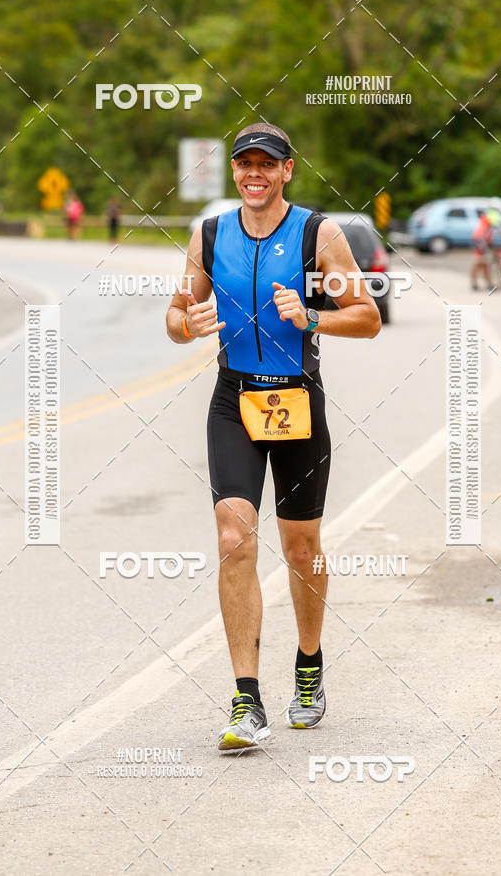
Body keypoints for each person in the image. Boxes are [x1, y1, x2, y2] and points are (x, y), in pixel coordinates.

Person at [166, 123, 381, 751]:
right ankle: (245, 698)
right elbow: (176, 317)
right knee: (235, 538)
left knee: (301, 546)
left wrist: (311, 315)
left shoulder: (319, 233)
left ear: (288, 170)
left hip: (295, 402)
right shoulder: (209, 234)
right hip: (233, 400)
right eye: (244, 163)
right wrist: (189, 323)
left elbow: (366, 318)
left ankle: (309, 667)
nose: (254, 173)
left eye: (268, 163)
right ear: (234, 171)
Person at [470, 210, 495, 291]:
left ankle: (487, 282)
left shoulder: (486, 221)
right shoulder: (486, 222)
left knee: (484, 264)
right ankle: (475, 282)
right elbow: (481, 235)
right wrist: (484, 248)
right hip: (479, 243)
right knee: (479, 263)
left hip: (481, 242)